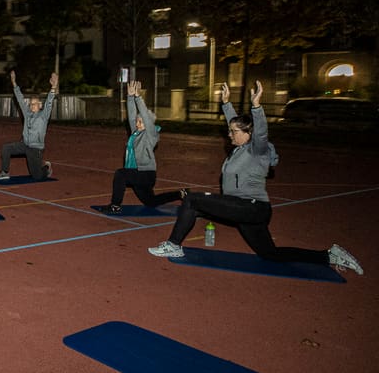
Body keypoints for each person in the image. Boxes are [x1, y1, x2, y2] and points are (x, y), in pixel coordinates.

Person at [148, 80, 363, 276]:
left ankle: (174, 244)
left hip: (251, 206)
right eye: (230, 131)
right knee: (270, 253)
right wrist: (226, 104)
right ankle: (329, 255)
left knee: (192, 199)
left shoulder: (257, 150)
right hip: (246, 210)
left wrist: (257, 107)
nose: (229, 135)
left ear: (248, 134)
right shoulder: (240, 149)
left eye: (233, 132)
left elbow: (260, 133)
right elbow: (237, 124)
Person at [96, 80, 183, 210]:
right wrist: (130, 97)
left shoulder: (151, 134)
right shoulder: (136, 133)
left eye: (140, 122)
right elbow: (131, 116)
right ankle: (180, 194)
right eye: (137, 121)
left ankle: (115, 205)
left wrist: (138, 97)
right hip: (136, 173)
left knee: (120, 174)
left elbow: (146, 118)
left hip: (146, 174)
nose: (137, 124)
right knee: (151, 202)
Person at [0, 70, 57, 181]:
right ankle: (4, 172)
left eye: (35, 104)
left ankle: (46, 168)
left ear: (40, 105)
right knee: (6, 148)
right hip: (25, 145)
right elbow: (20, 98)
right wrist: (14, 82)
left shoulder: (43, 115)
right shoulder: (27, 113)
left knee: (36, 176)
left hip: (35, 149)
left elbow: (49, 102)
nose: (32, 106)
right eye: (31, 104)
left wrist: (53, 87)